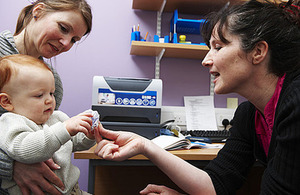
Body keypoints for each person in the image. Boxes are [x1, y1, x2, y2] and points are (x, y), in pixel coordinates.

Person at [94, 0, 300, 194]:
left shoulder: (295, 101)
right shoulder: (249, 115)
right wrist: (144, 145)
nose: (205, 60)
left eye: (218, 47)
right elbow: (216, 184)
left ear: (258, 51)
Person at [0, 0, 92, 194]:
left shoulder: (54, 83)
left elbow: (48, 137)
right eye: (63, 28)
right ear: (38, 11)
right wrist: (10, 166)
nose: (67, 43)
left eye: (74, 39)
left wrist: (86, 133)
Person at [0, 54, 99, 195]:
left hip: (73, 190)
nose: (49, 100)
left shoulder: (56, 117)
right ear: (7, 102)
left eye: (51, 93)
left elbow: (73, 143)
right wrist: (65, 129)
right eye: (39, 95)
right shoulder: (9, 122)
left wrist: (87, 135)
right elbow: (25, 150)